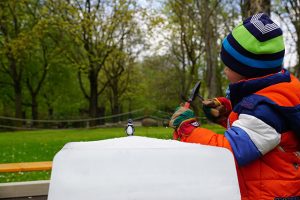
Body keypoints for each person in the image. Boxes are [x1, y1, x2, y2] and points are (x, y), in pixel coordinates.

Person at [169, 13, 300, 200]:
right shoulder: (275, 95)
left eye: (229, 66)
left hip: (271, 196)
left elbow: (231, 151)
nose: (224, 70)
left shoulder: (265, 109)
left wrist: (187, 129)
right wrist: (226, 114)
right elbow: (255, 131)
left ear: (248, 71)